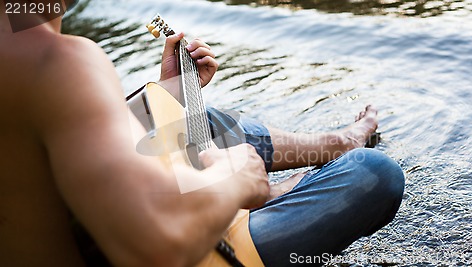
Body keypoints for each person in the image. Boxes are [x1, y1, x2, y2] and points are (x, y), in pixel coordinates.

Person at [0, 2, 404, 266]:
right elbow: (157, 249)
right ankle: (276, 193)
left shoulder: (19, 46)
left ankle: (333, 147)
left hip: (98, 227)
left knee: (197, 117)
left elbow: (62, 139)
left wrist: (171, 88)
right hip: (190, 252)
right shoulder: (58, 60)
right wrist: (234, 184)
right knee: (375, 173)